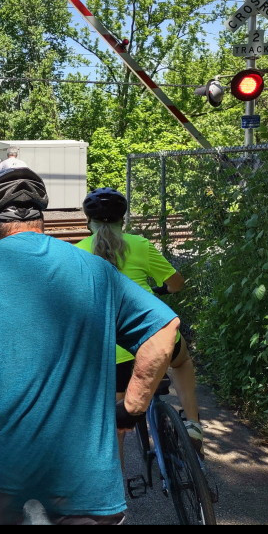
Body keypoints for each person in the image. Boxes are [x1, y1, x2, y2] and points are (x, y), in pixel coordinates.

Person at [0, 167, 180, 525]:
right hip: (86, 486)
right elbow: (164, 328)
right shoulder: (96, 270)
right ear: (42, 220)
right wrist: (132, 408)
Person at [75, 187, 203, 455]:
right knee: (181, 362)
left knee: (116, 429)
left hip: (113, 351)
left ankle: (117, 489)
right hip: (155, 338)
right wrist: (163, 291)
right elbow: (176, 283)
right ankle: (193, 423)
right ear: (124, 220)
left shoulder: (77, 254)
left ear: (88, 222)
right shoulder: (141, 245)